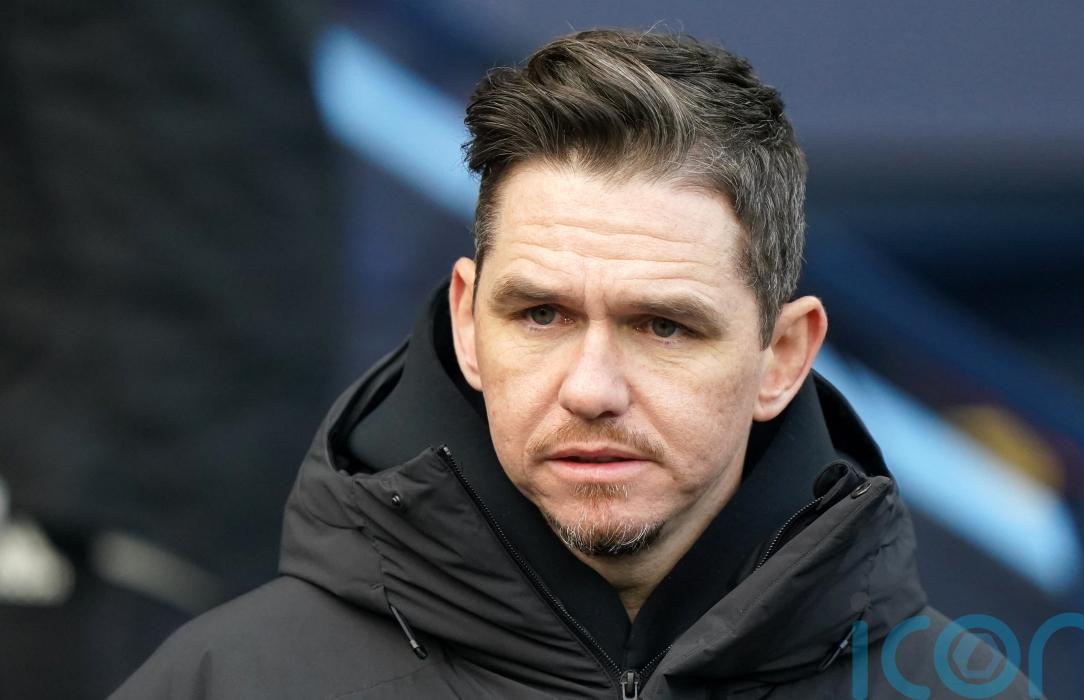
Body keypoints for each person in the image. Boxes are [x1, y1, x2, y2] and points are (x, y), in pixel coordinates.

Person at [115, 29, 1032, 699]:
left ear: (781, 358)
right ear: (467, 323)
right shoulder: (229, 683)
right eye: (542, 315)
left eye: (664, 327)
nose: (592, 389)